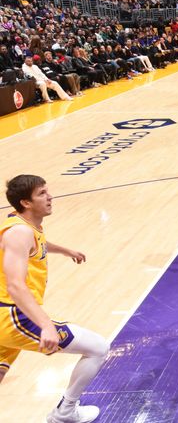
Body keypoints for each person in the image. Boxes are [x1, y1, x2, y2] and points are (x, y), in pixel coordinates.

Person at [0, 175, 109, 423]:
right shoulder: (19, 233)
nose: (50, 197)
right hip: (14, 316)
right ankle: (66, 412)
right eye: (42, 193)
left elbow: (36, 243)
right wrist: (46, 325)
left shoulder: (21, 225)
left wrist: (64, 250)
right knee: (98, 348)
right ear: (26, 203)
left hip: (3, 315)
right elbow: (16, 285)